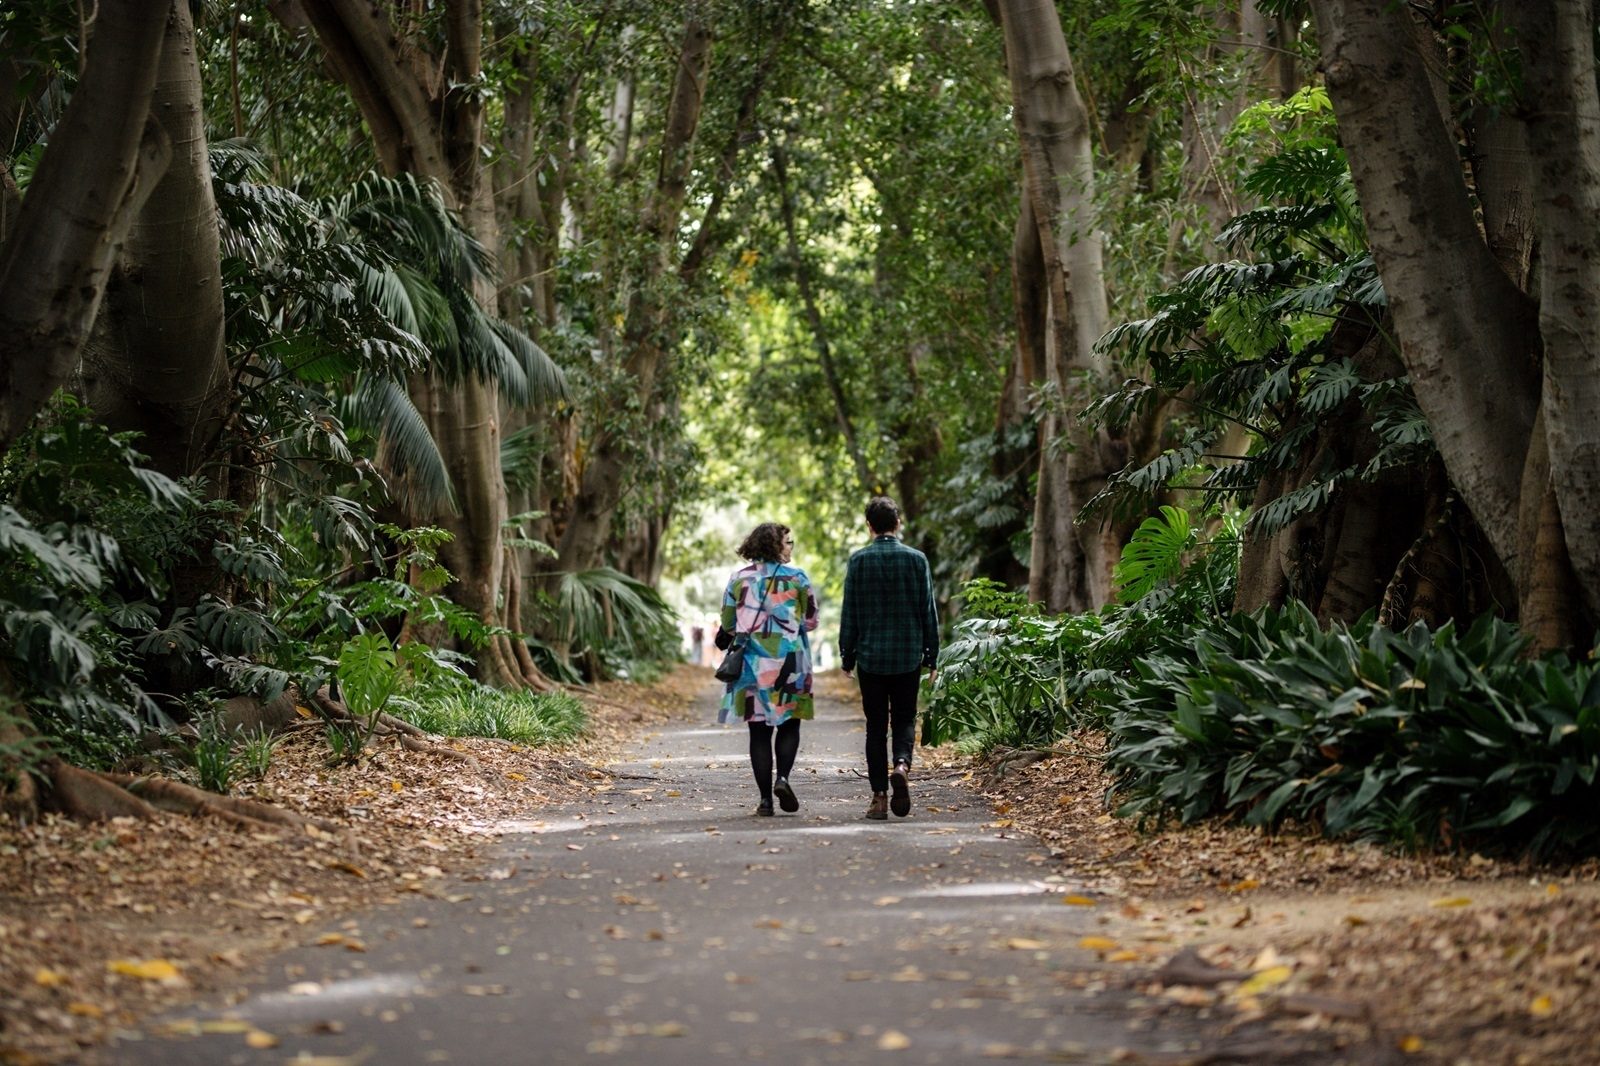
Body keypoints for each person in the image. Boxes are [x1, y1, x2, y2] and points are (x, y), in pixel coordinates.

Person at [839, 496, 938, 821]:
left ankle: (879, 799)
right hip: (908, 654)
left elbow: (850, 611)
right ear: (897, 523)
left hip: (871, 657)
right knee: (906, 719)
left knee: (875, 727)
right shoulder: (917, 559)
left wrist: (847, 654)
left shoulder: (858, 561)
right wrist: (932, 654)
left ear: (869, 526)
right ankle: (901, 766)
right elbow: (928, 610)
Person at [714, 522, 819, 816]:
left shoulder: (738, 579)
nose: (791, 547)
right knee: (789, 724)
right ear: (775, 545)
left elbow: (729, 623)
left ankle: (765, 801)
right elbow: (811, 621)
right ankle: (782, 779)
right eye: (788, 542)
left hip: (751, 663)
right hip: (790, 663)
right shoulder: (798, 578)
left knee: (758, 733)